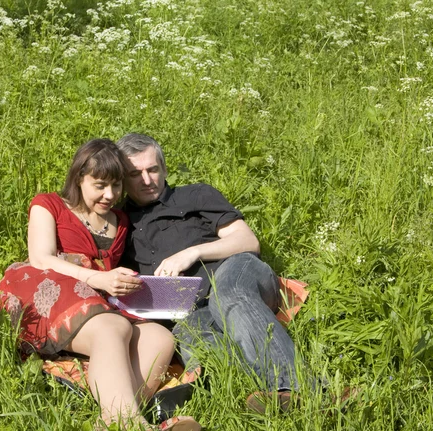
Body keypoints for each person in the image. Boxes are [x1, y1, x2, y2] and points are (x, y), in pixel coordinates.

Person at [0, 139, 201, 431]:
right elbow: (41, 258)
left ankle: (111, 427)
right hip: (49, 288)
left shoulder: (121, 221)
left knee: (160, 338)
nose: (110, 195)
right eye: (100, 185)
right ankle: (133, 428)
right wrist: (99, 277)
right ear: (78, 179)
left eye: (116, 185)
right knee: (114, 328)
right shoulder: (49, 204)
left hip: (98, 300)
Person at [116, 133, 302, 413]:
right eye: (135, 173)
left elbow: (248, 241)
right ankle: (250, 401)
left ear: (164, 169)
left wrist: (192, 253)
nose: (147, 179)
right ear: (122, 179)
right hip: (188, 309)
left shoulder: (194, 194)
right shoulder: (119, 223)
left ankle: (298, 388)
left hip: (236, 272)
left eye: (152, 170)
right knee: (195, 338)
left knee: (227, 295)